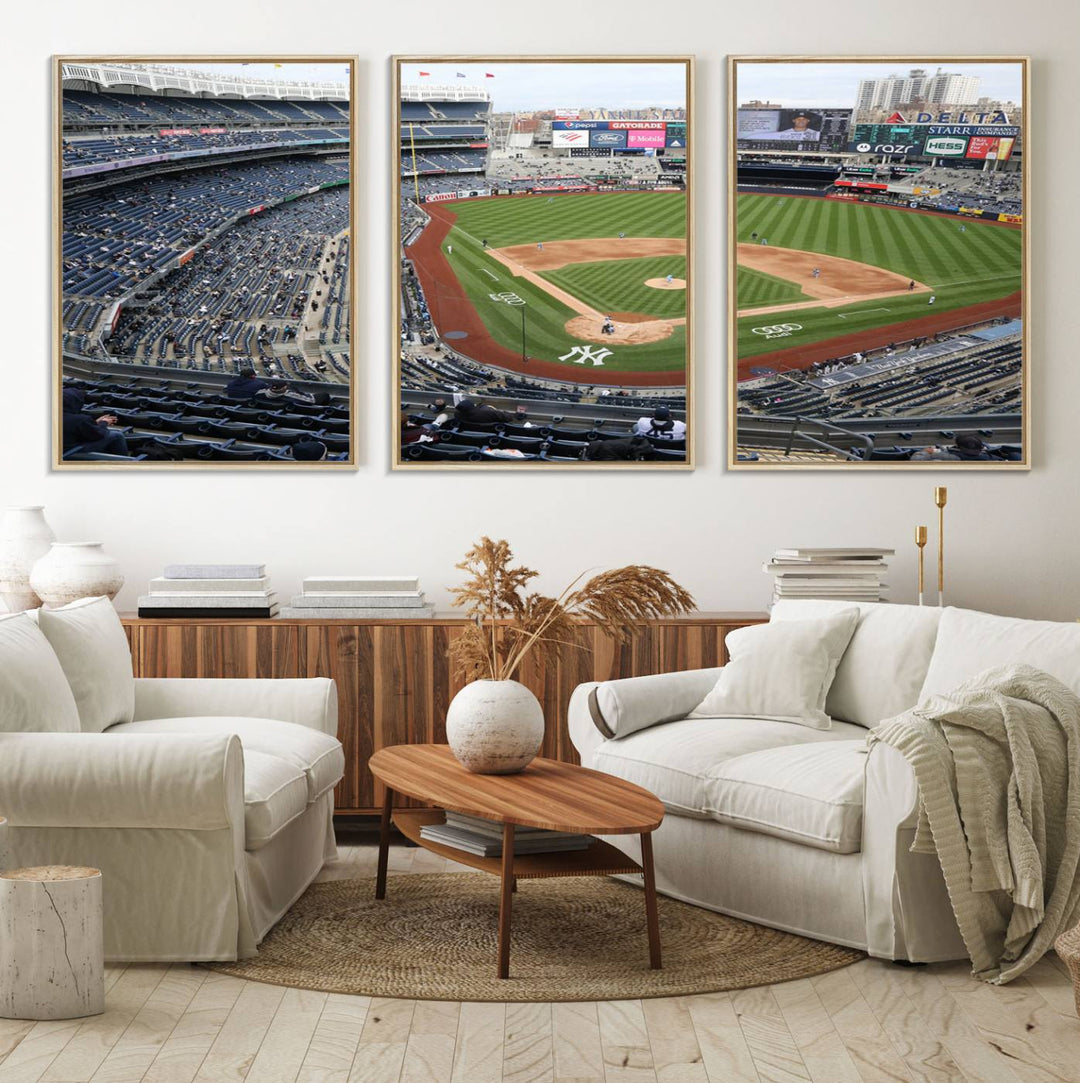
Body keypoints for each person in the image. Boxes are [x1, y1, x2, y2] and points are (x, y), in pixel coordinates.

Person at [61, 388, 130, 455]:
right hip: (70, 452)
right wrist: (104, 423)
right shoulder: (80, 419)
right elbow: (98, 435)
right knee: (117, 435)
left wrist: (94, 423)